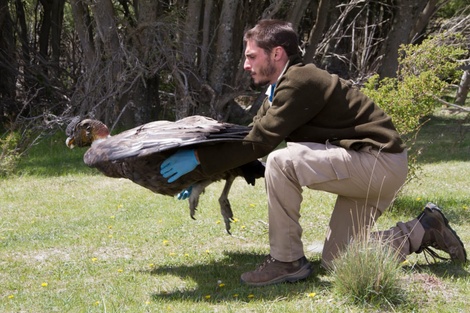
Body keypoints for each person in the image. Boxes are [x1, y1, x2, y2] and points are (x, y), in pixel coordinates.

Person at [160, 19, 467, 286]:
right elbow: (252, 137)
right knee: (339, 260)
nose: (245, 64)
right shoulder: (281, 89)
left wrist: (198, 160)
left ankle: (286, 261)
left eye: (251, 56)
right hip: (369, 167)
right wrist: (202, 175)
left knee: (281, 161)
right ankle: (423, 230)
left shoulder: (301, 80)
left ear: (276, 53)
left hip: (378, 163)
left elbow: (259, 145)